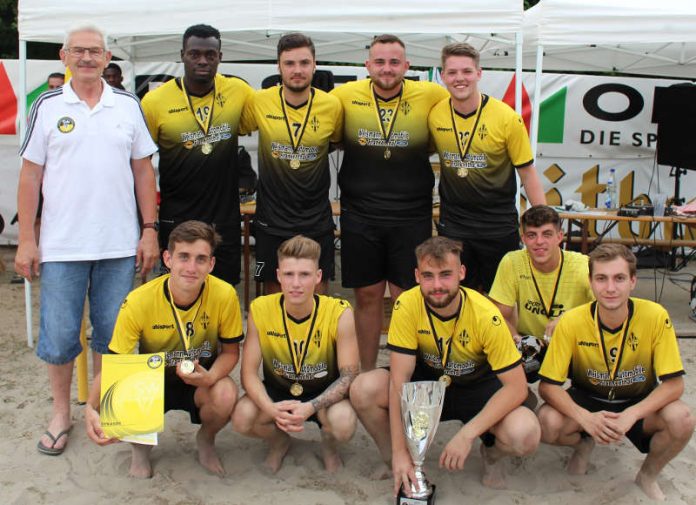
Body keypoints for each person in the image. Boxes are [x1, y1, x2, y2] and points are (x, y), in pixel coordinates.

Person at [15, 23, 159, 456]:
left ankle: (109, 412)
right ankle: (62, 414)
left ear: (108, 56)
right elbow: (31, 174)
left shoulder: (127, 105)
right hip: (61, 246)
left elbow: (142, 171)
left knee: (113, 336)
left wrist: (149, 231)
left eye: (94, 51)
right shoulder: (46, 105)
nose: (86, 58)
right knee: (59, 338)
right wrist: (26, 238)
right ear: (63, 56)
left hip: (119, 244)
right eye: (78, 51)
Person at [350, 236, 540, 492]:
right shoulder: (406, 304)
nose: (437, 285)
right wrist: (398, 451)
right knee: (364, 388)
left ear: (461, 273)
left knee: (525, 434)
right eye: (428, 276)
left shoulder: (486, 315)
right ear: (417, 275)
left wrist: (467, 435)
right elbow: (399, 381)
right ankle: (397, 463)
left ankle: (491, 455)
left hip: (477, 386)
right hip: (428, 385)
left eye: (446, 275)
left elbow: (516, 388)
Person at [84, 221, 243, 477]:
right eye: (184, 257)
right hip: (152, 380)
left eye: (200, 259)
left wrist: (211, 376)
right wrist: (91, 407)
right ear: (168, 259)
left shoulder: (224, 295)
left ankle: (206, 439)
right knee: (126, 385)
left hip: (199, 379)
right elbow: (114, 365)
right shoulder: (138, 300)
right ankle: (141, 449)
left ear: (211, 264)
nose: (191, 267)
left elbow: (231, 353)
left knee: (226, 393)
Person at [537, 243, 695, 501]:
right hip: (587, 398)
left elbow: (674, 385)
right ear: (590, 282)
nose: (610, 288)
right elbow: (548, 386)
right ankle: (583, 444)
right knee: (545, 422)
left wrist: (632, 414)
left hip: (638, 401)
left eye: (619, 278)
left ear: (633, 281)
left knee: (682, 419)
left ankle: (647, 474)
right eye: (601, 278)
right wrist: (586, 418)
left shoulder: (655, 316)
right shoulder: (571, 321)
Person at [331, 34, 449, 370]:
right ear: (367, 65)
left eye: (394, 62)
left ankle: (404, 376)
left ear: (407, 66)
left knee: (407, 299)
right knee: (366, 297)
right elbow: (331, 137)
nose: (387, 69)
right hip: (359, 213)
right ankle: (366, 376)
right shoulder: (343, 97)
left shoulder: (431, 95)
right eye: (379, 62)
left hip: (411, 215)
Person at [232, 235, 359, 473]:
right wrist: (270, 409)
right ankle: (279, 442)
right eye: (289, 275)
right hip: (279, 390)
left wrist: (311, 406)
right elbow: (247, 373)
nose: (296, 283)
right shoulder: (261, 309)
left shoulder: (339, 313)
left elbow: (349, 376)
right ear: (279, 276)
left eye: (305, 275)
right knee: (241, 418)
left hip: (323, 394)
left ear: (318, 277)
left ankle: (329, 446)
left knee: (344, 423)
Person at [141, 24, 254, 286]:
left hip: (223, 218)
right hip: (177, 216)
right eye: (195, 54)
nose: (202, 60)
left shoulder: (239, 92)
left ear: (220, 57)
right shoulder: (155, 102)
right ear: (182, 55)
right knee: (180, 289)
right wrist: (148, 223)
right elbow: (140, 164)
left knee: (223, 291)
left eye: (210, 54)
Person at [429, 43, 546, 292]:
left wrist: (545, 222)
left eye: (467, 71)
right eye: (452, 72)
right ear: (442, 75)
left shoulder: (506, 117)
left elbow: (527, 172)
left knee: (501, 300)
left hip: (497, 225)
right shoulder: (435, 115)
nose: (460, 78)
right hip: (454, 225)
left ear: (479, 73)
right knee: (457, 296)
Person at [240, 33, 342, 294]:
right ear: (278, 66)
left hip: (316, 219)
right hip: (271, 220)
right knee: (272, 295)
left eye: (304, 63)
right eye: (289, 63)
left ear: (315, 64)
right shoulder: (259, 101)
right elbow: (236, 128)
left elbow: (337, 140)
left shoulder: (331, 105)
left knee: (318, 293)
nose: (297, 70)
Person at [489, 205, 594, 342]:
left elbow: (605, 308)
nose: (539, 242)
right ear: (523, 239)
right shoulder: (512, 262)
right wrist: (516, 340)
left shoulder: (583, 265)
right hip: (530, 343)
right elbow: (498, 316)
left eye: (547, 234)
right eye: (532, 235)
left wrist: (569, 318)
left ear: (559, 236)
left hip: (573, 342)